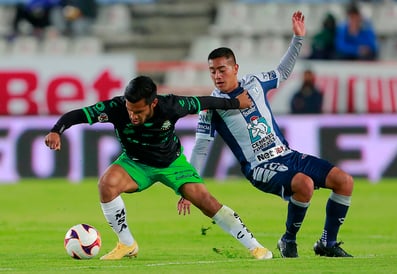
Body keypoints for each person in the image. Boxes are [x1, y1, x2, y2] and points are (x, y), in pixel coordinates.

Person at [44, 75, 273, 260]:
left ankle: (256, 248)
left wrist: (236, 103)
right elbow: (77, 115)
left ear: (153, 103)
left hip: (172, 163)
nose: (132, 115)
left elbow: (205, 102)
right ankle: (127, 244)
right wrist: (56, 130)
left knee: (207, 202)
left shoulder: (171, 106)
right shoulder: (116, 107)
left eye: (139, 111)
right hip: (135, 163)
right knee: (106, 184)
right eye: (130, 109)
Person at [184, 11, 354, 258]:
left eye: (222, 70)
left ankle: (328, 242)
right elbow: (201, 147)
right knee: (303, 184)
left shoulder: (255, 83)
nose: (217, 76)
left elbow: (282, 73)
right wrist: (189, 187)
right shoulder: (212, 107)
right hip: (259, 166)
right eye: (212, 71)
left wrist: (297, 39)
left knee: (344, 181)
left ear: (235, 68)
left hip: (287, 155)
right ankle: (288, 240)